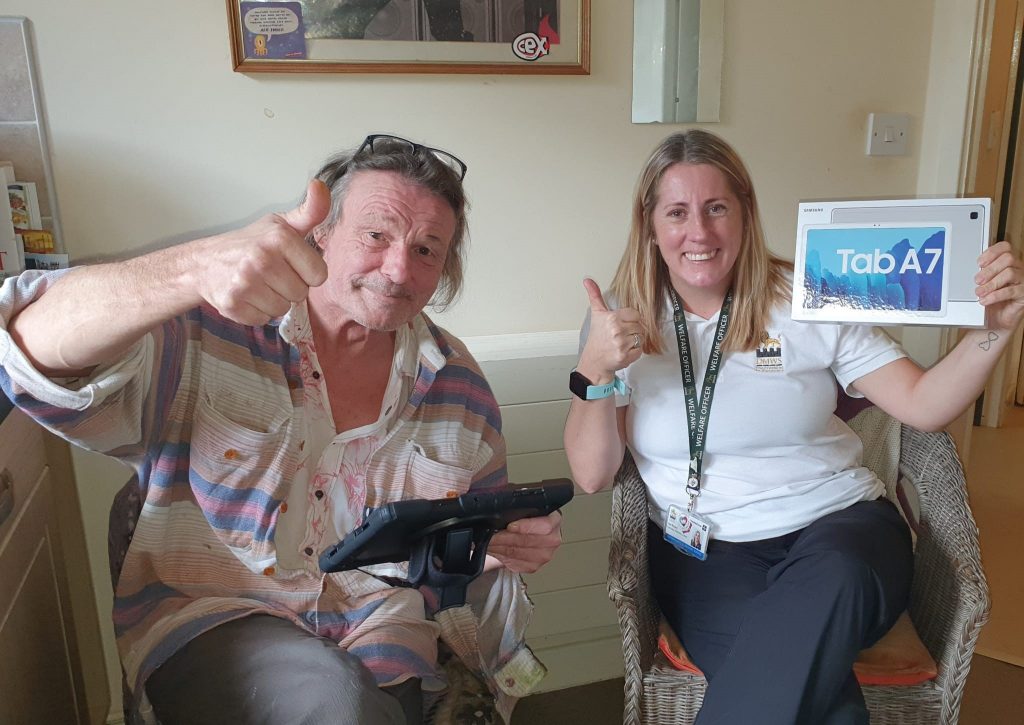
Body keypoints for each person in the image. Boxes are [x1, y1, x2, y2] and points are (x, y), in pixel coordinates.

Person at [0, 134, 562, 725]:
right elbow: (30, 354)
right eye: (376, 235)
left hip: (383, 632)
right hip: (219, 617)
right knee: (338, 708)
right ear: (320, 234)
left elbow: (449, 544)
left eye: (427, 250)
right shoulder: (210, 330)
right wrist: (192, 268)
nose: (399, 269)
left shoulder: (459, 385)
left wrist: (493, 548)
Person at [563, 129, 1024, 725]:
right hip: (706, 552)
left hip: (843, 533)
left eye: (717, 208)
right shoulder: (618, 324)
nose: (698, 232)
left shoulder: (811, 295)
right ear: (650, 225)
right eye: (677, 213)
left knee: (828, 585)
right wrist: (593, 367)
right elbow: (593, 474)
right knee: (825, 710)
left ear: (746, 214)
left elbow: (923, 402)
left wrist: (996, 329)